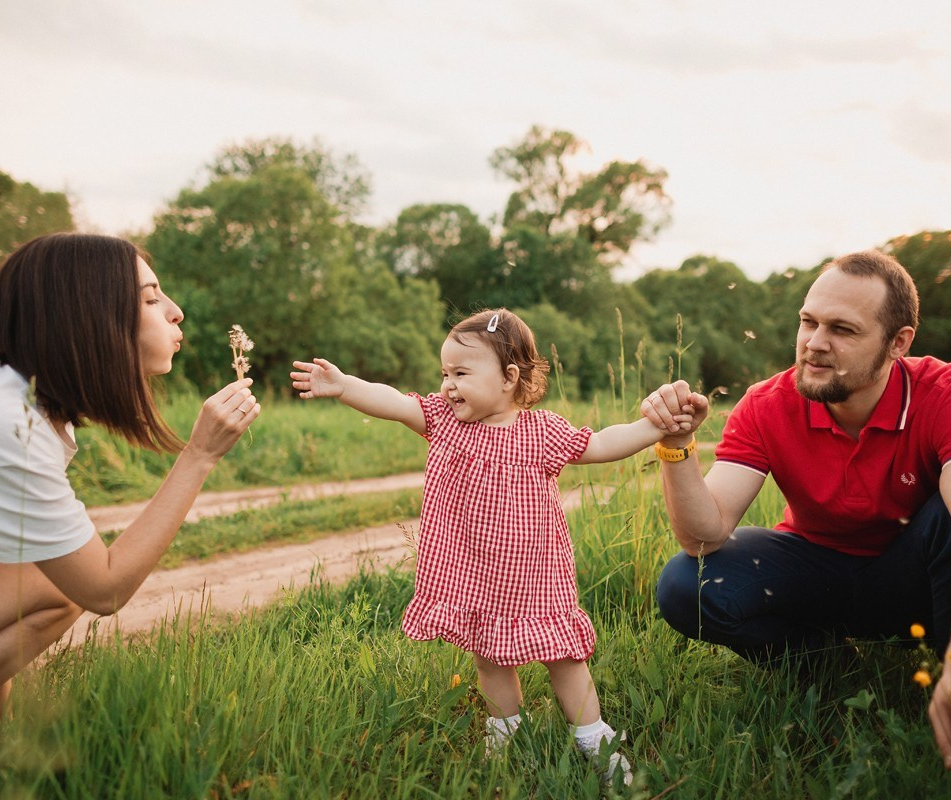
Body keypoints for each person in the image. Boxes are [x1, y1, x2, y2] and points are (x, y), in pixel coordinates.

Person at [0, 232, 261, 779]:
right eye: (150, 300)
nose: (176, 312)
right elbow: (103, 588)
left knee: (22, 569)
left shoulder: (5, 397)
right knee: (54, 586)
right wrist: (199, 456)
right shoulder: (2, 425)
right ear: (89, 318)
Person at [641, 250, 951, 787]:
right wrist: (679, 445)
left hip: (916, 577)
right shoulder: (767, 403)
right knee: (688, 582)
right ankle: (825, 669)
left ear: (898, 342)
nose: (814, 343)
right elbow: (703, 535)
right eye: (808, 321)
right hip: (819, 572)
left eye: (843, 329)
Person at [291, 308, 683, 785]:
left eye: (460, 373)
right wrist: (345, 385)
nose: (447, 385)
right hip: (472, 572)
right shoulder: (442, 421)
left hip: (537, 575)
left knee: (564, 654)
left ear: (508, 378)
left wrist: (655, 428)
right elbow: (392, 401)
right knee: (489, 653)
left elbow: (601, 444)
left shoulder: (542, 432)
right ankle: (506, 726)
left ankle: (592, 735)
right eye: (444, 373)